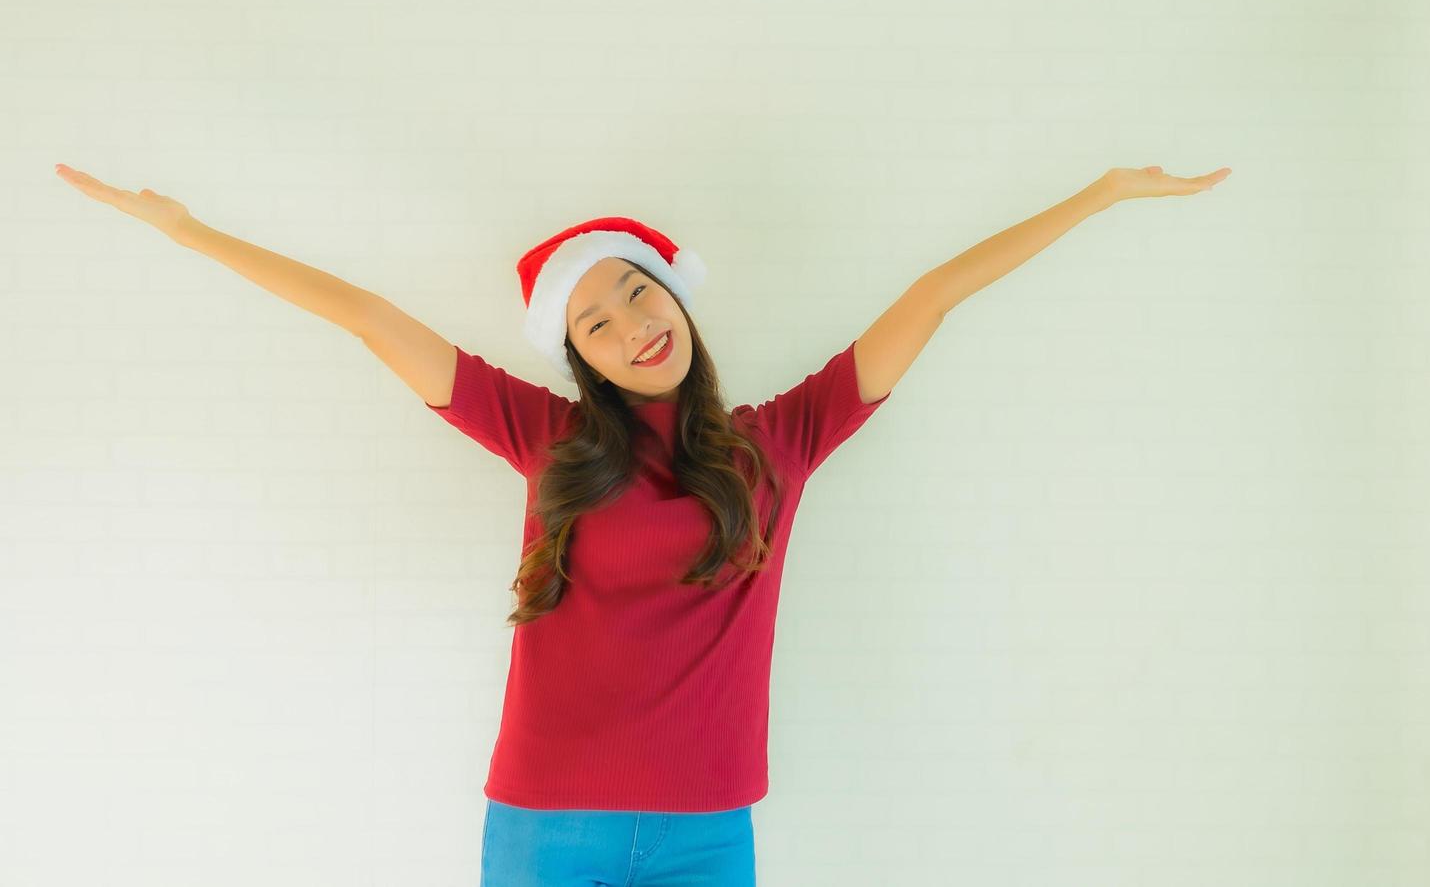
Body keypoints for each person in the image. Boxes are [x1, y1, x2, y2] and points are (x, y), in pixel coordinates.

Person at [52, 160, 1228, 886]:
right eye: (600, 326)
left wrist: (1103, 193)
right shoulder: (548, 438)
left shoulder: (784, 439)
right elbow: (368, 316)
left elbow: (930, 296)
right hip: (543, 827)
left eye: (637, 293)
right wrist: (184, 229)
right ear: (583, 362)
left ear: (676, 293)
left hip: (708, 836)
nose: (631, 327)